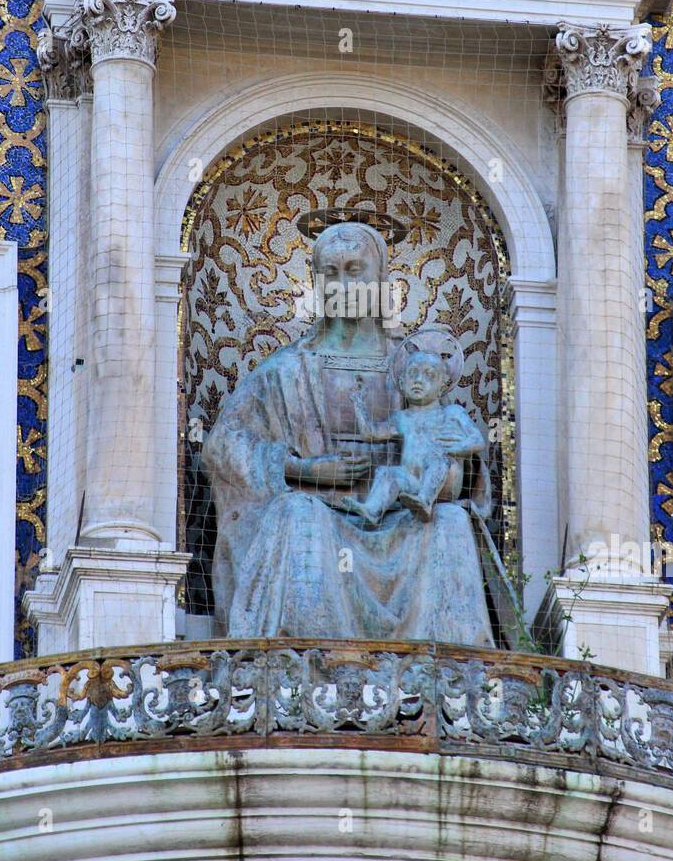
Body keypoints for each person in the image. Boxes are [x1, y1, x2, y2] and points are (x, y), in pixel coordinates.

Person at [201, 219, 495, 646]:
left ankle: (448, 667)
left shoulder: (415, 366)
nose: (343, 284)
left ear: (380, 279)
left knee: (450, 522)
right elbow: (223, 446)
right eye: (331, 272)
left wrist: (445, 468)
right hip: (319, 515)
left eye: (355, 270)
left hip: (403, 518)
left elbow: (460, 460)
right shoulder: (285, 370)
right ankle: (303, 660)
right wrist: (303, 470)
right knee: (298, 516)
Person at [333, 349, 485, 525]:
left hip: (444, 483)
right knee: (387, 473)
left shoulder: (452, 412)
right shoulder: (401, 418)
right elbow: (371, 434)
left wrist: (454, 449)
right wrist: (358, 403)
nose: (418, 380)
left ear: (442, 386)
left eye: (429, 375)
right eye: (412, 373)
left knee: (436, 459)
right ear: (402, 382)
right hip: (411, 482)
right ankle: (373, 509)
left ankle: (425, 502)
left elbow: (478, 441)